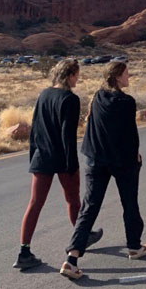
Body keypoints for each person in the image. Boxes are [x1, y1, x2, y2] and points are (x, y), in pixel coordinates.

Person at [60, 61, 146, 280]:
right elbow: (130, 134)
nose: (129, 76)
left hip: (95, 159)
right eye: (127, 73)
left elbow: (91, 122)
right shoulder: (127, 102)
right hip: (121, 161)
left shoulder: (98, 96)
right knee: (129, 202)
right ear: (118, 76)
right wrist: (136, 156)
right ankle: (134, 246)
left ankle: (71, 259)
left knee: (89, 207)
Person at [14, 59, 102, 270]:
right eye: (76, 75)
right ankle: (81, 238)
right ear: (70, 74)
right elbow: (67, 136)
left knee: (35, 203)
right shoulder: (70, 99)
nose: (77, 79)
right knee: (73, 200)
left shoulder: (43, 94)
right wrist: (71, 165)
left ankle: (24, 252)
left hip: (41, 157)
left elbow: (35, 129)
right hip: (62, 158)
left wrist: (33, 157)